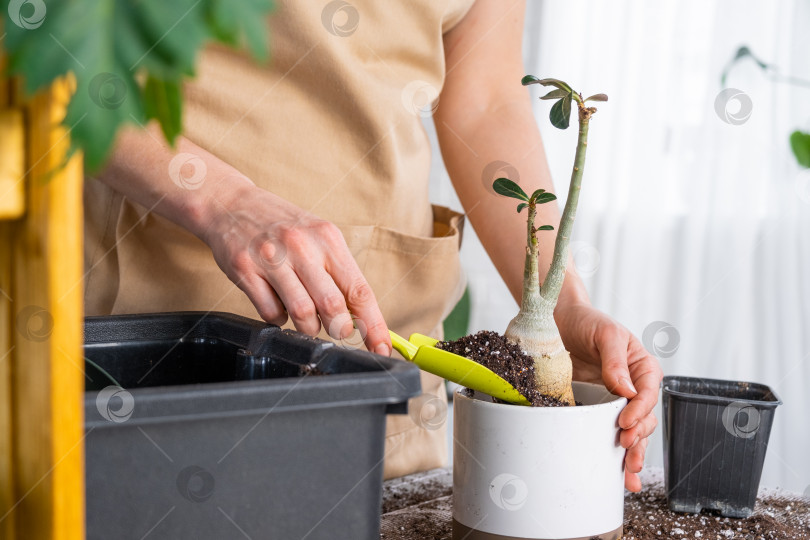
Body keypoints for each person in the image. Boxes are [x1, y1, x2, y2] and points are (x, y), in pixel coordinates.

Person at [84, 0, 662, 490]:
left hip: (380, 367)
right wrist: (221, 199)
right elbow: (45, 60)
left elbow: (484, 102)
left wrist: (559, 310)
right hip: (160, 344)